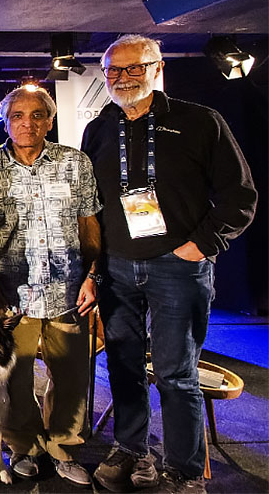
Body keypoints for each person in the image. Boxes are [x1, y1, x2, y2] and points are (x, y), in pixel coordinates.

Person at [82, 34, 257, 494]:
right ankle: (132, 450)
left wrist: (200, 245)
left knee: (177, 371)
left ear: (158, 69)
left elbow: (240, 196)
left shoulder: (201, 122)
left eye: (133, 68)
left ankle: (182, 470)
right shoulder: (99, 128)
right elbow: (93, 206)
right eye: (113, 71)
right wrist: (96, 267)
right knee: (121, 364)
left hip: (177, 267)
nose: (122, 79)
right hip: (118, 267)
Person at [0, 86, 101, 487]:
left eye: (38, 114)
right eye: (19, 116)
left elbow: (89, 222)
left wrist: (93, 275)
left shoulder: (75, 163)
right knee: (13, 376)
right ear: (6, 121)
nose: (28, 123)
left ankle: (63, 448)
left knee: (72, 376)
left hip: (68, 288)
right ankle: (23, 446)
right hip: (10, 294)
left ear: (50, 119)